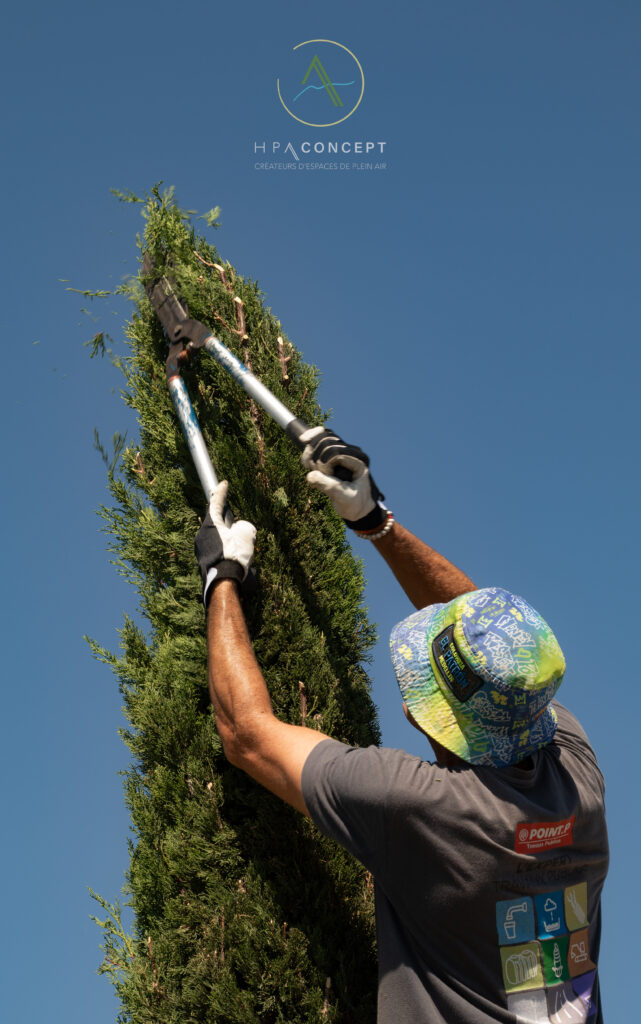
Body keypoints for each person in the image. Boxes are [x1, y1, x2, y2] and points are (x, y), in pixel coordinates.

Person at [194, 428, 609, 1024]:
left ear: (432, 716)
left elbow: (246, 734)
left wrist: (222, 577)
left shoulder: (422, 809)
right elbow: (496, 642)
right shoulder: (576, 774)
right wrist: (375, 522)